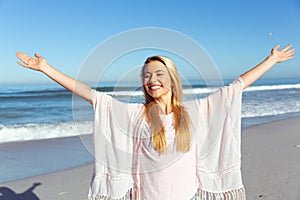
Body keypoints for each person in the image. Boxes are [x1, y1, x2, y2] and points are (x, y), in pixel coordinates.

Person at [16, 44, 295, 200]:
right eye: (147, 76)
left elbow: (234, 88)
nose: (152, 81)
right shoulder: (136, 114)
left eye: (158, 74)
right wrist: (45, 68)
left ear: (172, 79)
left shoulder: (194, 111)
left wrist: (270, 60)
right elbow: (93, 96)